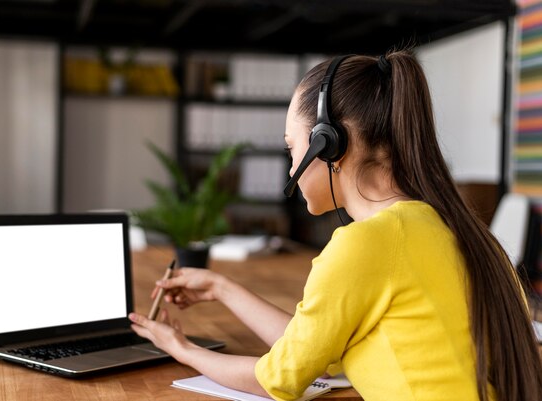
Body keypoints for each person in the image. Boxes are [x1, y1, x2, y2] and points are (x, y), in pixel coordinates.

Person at [128, 49, 542, 401]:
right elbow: (312, 347)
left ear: (329, 144)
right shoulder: (453, 229)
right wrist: (222, 288)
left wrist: (181, 348)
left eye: (293, 148)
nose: (291, 166)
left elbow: (279, 379)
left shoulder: (366, 243)